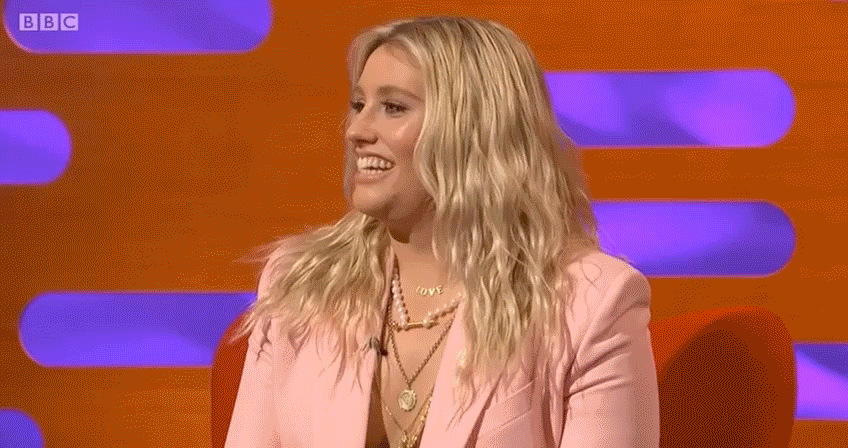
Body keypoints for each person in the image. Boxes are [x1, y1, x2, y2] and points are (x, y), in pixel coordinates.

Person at [224, 15, 659, 448]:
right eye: (358, 105)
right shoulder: (302, 286)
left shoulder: (588, 305)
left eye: (393, 107)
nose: (356, 131)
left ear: (475, 129)